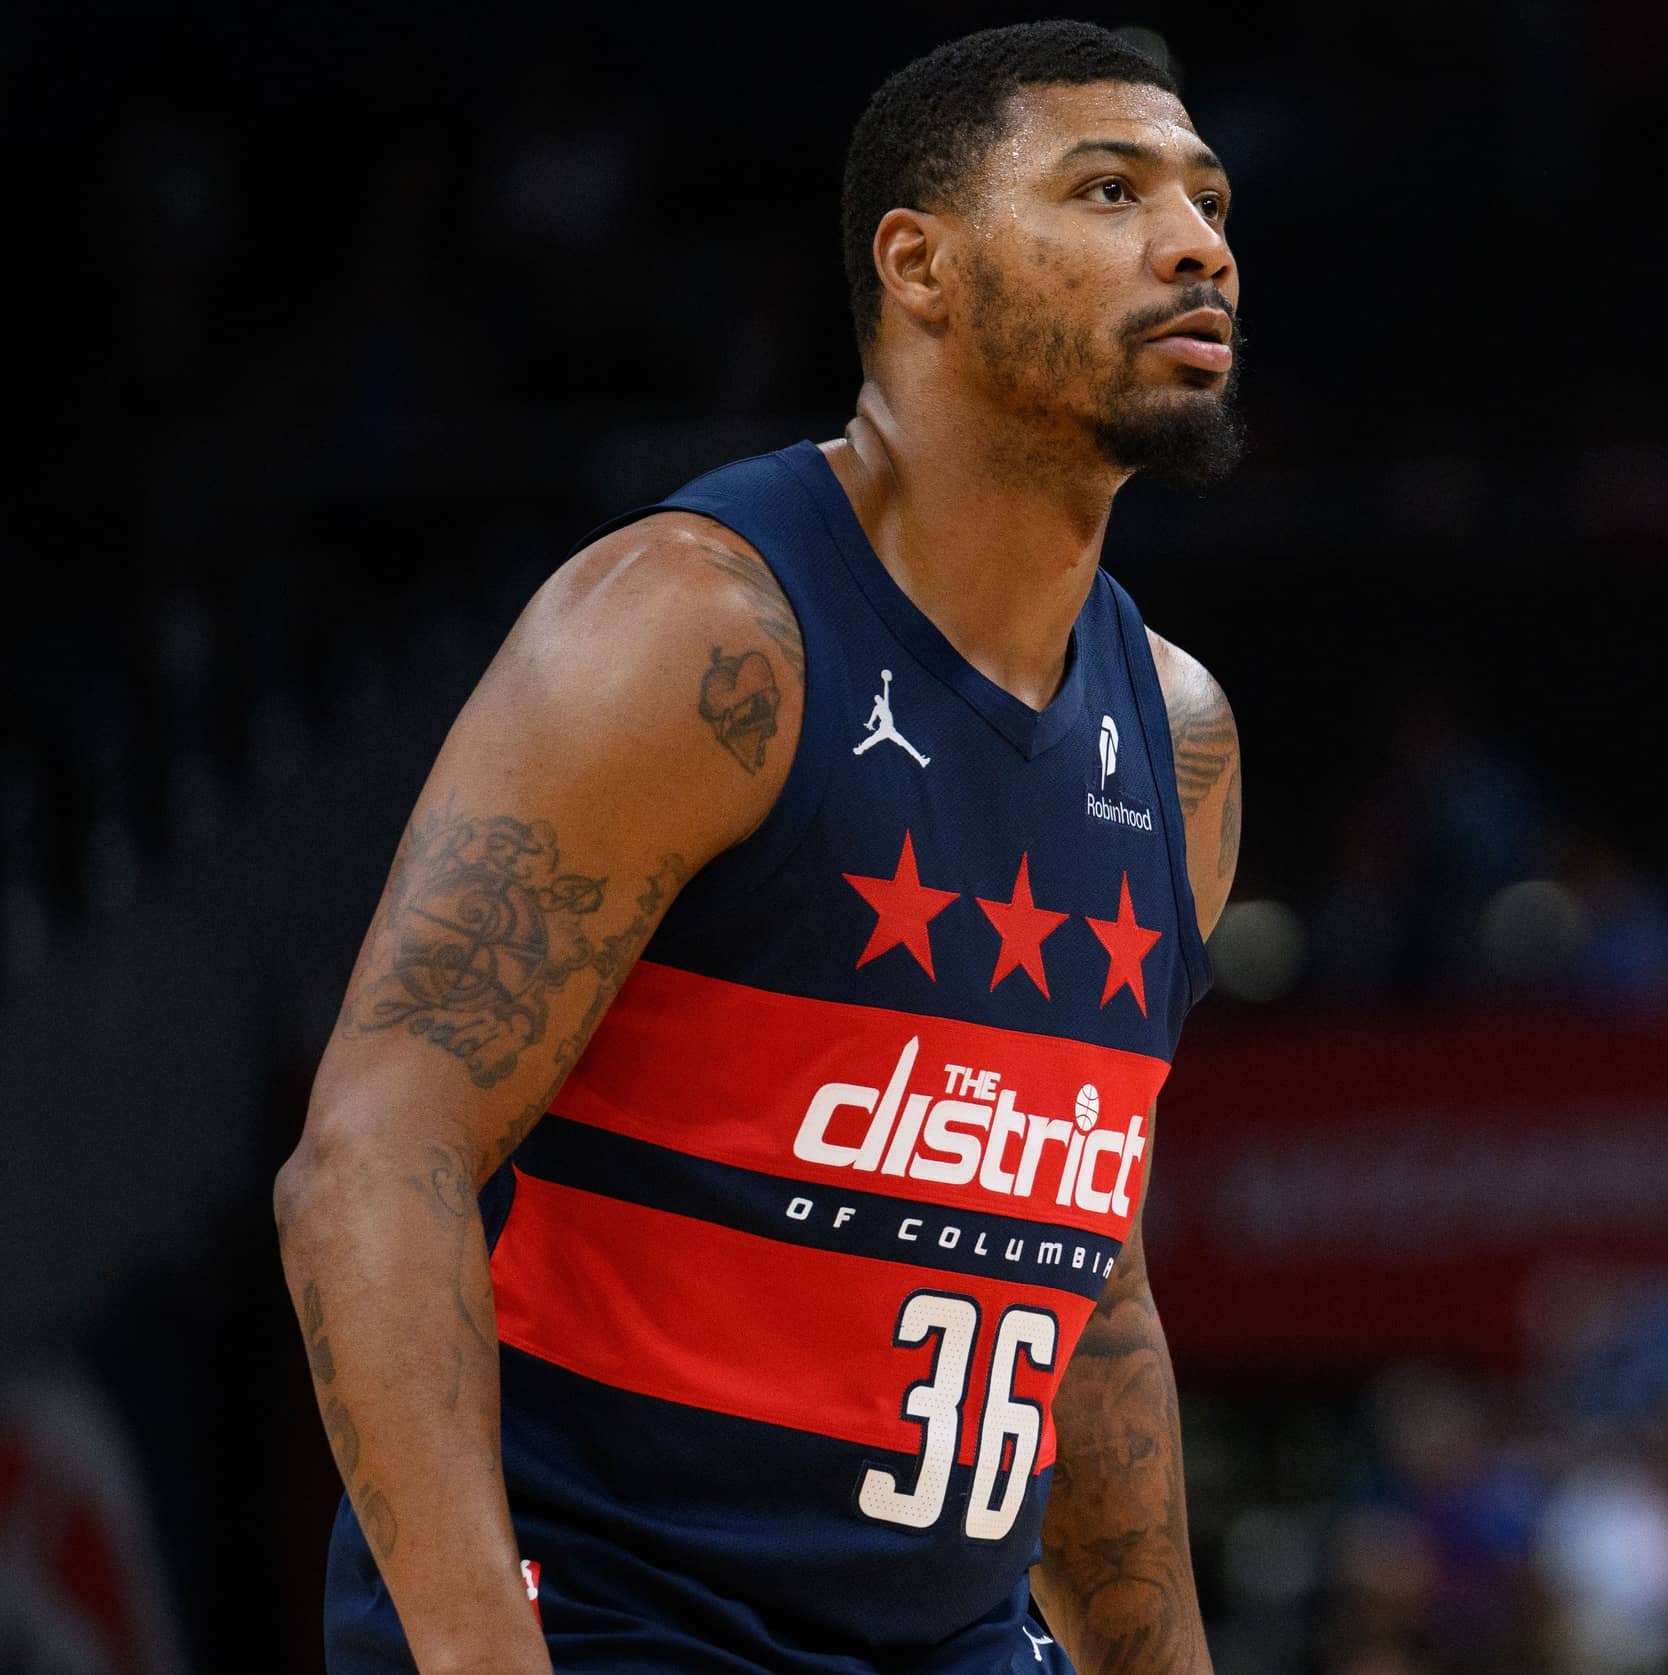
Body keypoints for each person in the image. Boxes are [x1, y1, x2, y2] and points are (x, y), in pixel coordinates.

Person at [272, 21, 1245, 1673]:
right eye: (1108, 188)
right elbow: (374, 1164)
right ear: (918, 266)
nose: (1199, 240)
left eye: (1211, 200)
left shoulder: (1179, 738)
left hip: (947, 1638)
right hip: (613, 1621)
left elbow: (1094, 1301)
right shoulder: (697, 636)